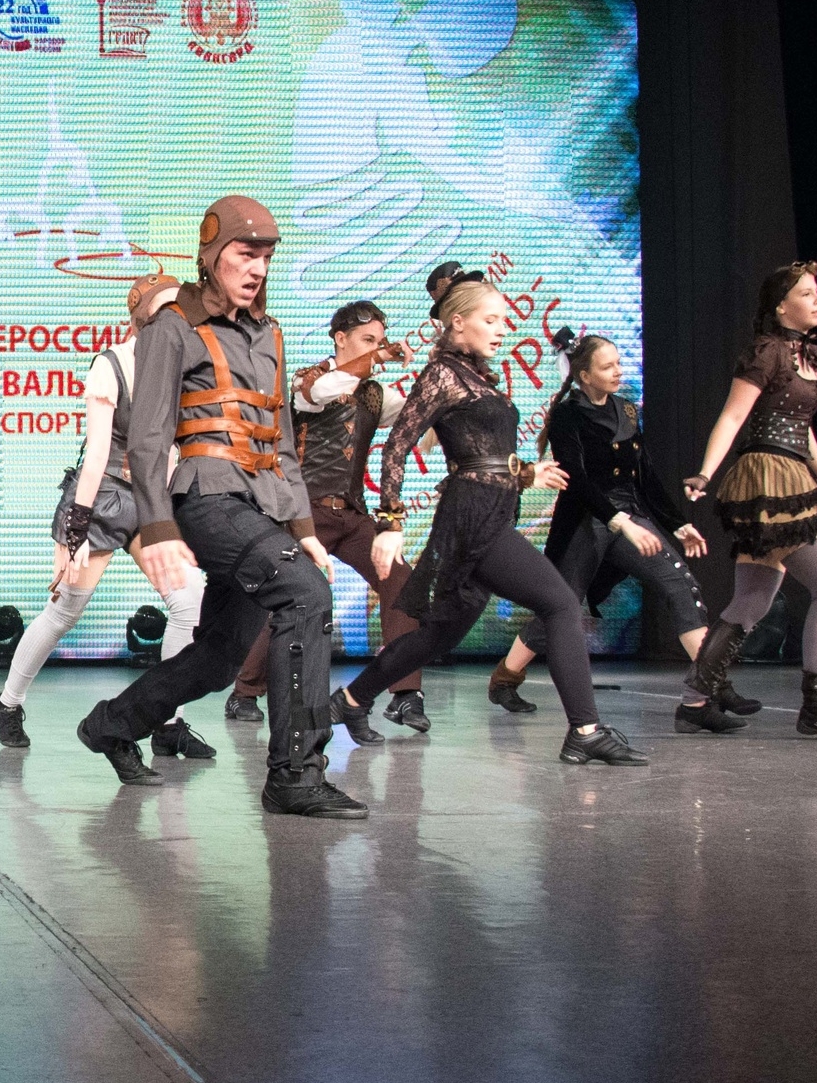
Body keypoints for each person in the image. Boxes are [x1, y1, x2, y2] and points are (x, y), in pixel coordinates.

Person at [74, 196, 362, 819]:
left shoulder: (270, 333)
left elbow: (282, 443)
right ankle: (295, 774)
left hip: (259, 505)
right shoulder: (173, 325)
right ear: (211, 256)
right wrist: (158, 527)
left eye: (266, 257)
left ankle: (112, 724)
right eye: (244, 253)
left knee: (220, 657)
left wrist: (303, 527)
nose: (257, 268)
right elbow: (148, 437)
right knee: (305, 595)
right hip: (205, 499)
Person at [326, 281, 649, 765]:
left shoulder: (474, 376)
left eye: (503, 320)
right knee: (561, 603)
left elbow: (481, 456)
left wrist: (526, 473)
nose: (502, 329)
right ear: (458, 322)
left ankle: (351, 700)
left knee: (440, 634)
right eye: (490, 319)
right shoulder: (442, 373)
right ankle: (585, 730)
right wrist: (390, 521)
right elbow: (396, 445)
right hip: (474, 517)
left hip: (488, 507)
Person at [0, 274, 213, 761]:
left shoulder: (189, 366)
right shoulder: (112, 365)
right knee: (64, 611)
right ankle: (7, 704)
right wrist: (75, 531)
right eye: (165, 311)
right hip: (103, 498)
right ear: (141, 319)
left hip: (152, 501)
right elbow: (94, 458)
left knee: (188, 603)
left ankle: (167, 723)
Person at [484, 328, 750, 735]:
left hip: (630, 519)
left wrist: (678, 524)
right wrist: (618, 520)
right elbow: (578, 482)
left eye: (619, 364)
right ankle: (505, 679)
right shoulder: (568, 416)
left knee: (682, 586)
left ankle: (708, 689)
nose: (618, 372)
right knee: (561, 607)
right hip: (585, 522)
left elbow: (645, 476)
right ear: (584, 375)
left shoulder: (626, 410)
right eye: (607, 366)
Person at [680, 261, 817, 741]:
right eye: (807, 293)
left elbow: (803, 432)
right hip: (768, 479)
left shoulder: (808, 355)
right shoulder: (767, 352)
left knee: (753, 598)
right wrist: (706, 472)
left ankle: (695, 702)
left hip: (792, 472)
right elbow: (732, 416)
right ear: (782, 306)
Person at [228, 301, 429, 740]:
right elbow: (321, 393)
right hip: (306, 514)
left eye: (379, 341)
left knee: (401, 581)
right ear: (340, 338)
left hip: (353, 515)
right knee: (292, 596)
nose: (376, 348)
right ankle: (245, 691)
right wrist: (379, 357)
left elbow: (420, 421)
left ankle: (405, 692)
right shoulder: (309, 379)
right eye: (367, 340)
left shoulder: (376, 394)